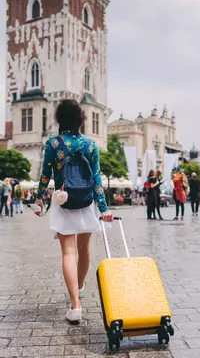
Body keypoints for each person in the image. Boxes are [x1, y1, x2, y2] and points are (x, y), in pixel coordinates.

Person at [35, 99, 113, 323]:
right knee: (84, 248)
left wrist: (40, 198)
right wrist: (104, 207)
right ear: (81, 119)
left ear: (59, 119)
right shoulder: (90, 145)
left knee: (68, 252)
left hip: (64, 200)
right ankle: (78, 285)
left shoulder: (54, 143)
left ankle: (75, 305)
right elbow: (97, 178)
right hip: (86, 200)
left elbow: (45, 175)